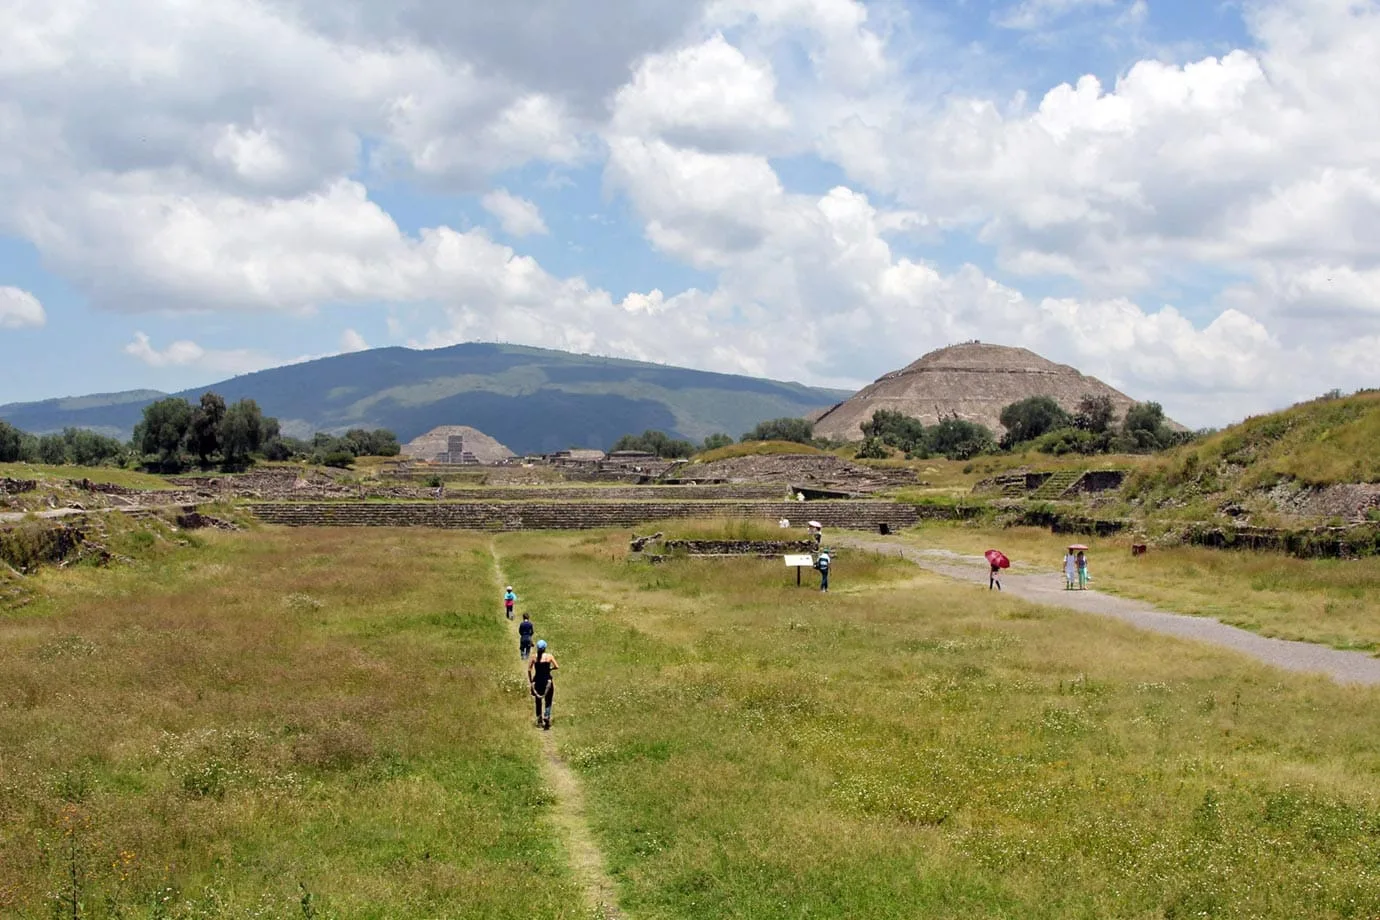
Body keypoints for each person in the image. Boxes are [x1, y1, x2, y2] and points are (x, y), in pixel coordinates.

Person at [528, 639, 558, 729]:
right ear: (545, 648)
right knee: (548, 700)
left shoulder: (534, 657)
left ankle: (539, 719)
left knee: (538, 701)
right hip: (547, 681)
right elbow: (557, 666)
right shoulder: (549, 656)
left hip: (537, 681)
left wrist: (531, 681)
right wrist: (550, 669)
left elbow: (529, 670)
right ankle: (547, 716)